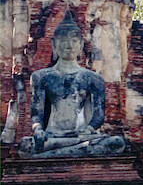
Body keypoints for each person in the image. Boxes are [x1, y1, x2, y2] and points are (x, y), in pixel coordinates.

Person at [18, 11, 125, 157]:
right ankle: (69, 151)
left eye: (74, 40)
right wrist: (38, 130)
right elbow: (36, 115)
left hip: (82, 136)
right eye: (63, 40)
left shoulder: (93, 78)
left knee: (116, 143)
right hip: (53, 136)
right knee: (25, 145)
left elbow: (98, 116)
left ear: (81, 44)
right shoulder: (41, 77)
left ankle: (51, 155)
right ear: (53, 44)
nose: (68, 45)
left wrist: (88, 130)